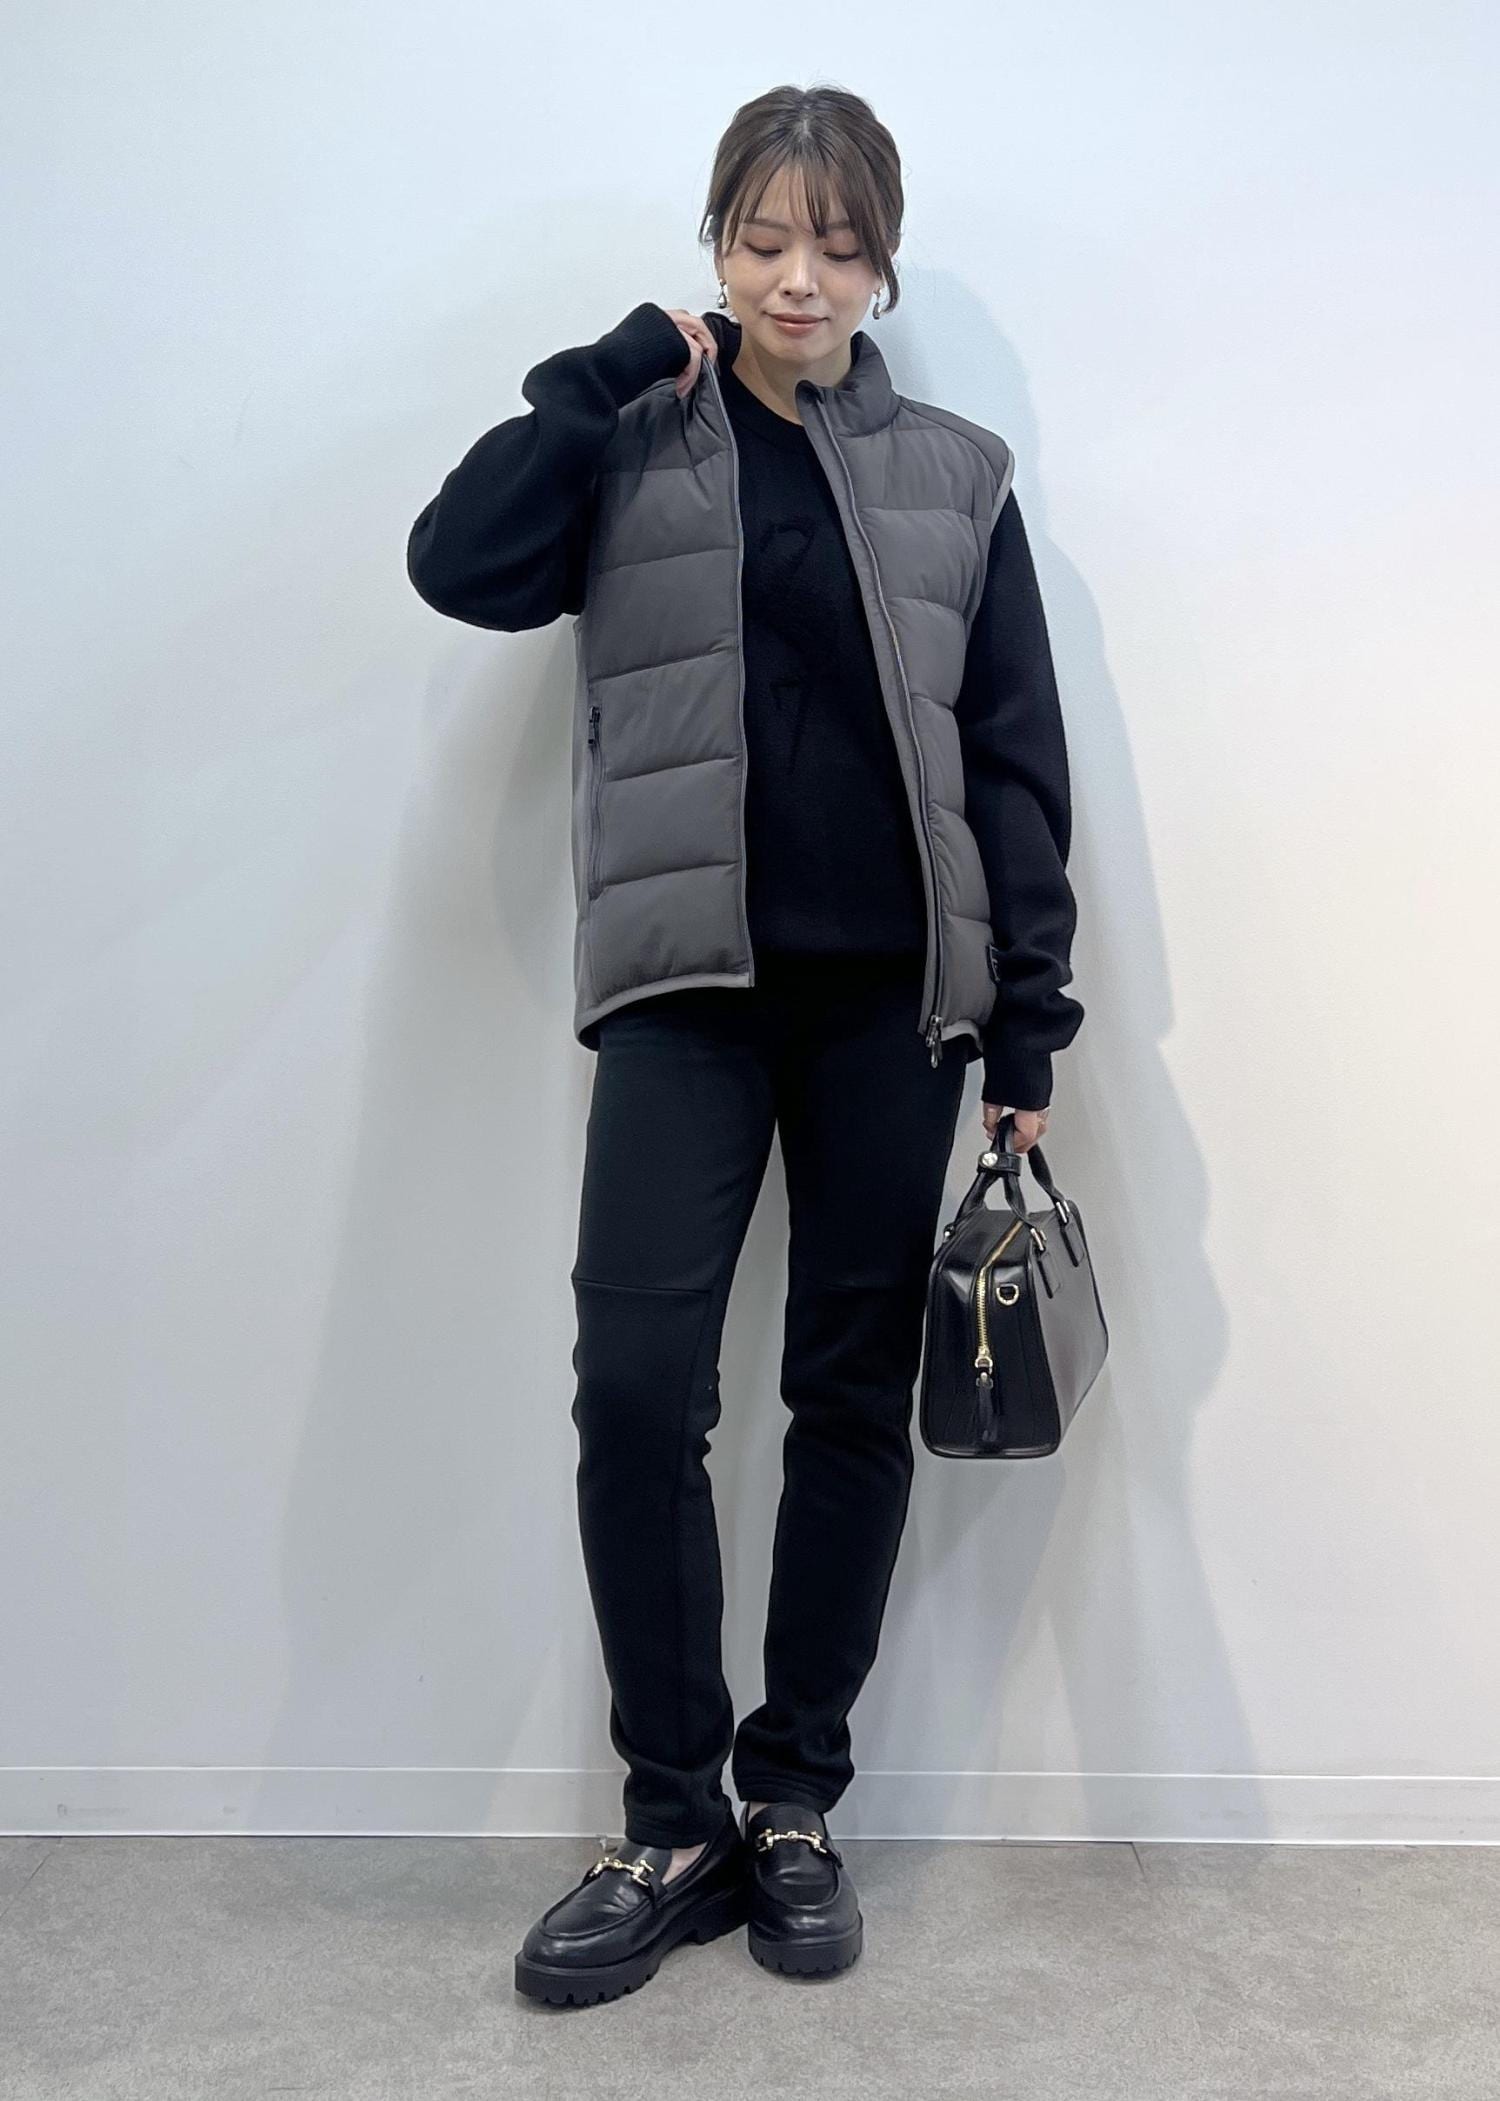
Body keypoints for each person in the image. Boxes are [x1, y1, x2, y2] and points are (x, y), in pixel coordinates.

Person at [406, 82, 1084, 2007]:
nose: (801, 278)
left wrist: (1029, 1023)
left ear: (882, 261)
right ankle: (668, 1812)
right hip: (684, 992)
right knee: (637, 1389)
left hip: (893, 1010)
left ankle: (791, 1800)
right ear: (715, 242)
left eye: (837, 246)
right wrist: (609, 369)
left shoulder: (956, 474)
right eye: (765, 239)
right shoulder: (631, 440)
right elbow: (457, 561)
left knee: (847, 1399)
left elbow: (1014, 764)